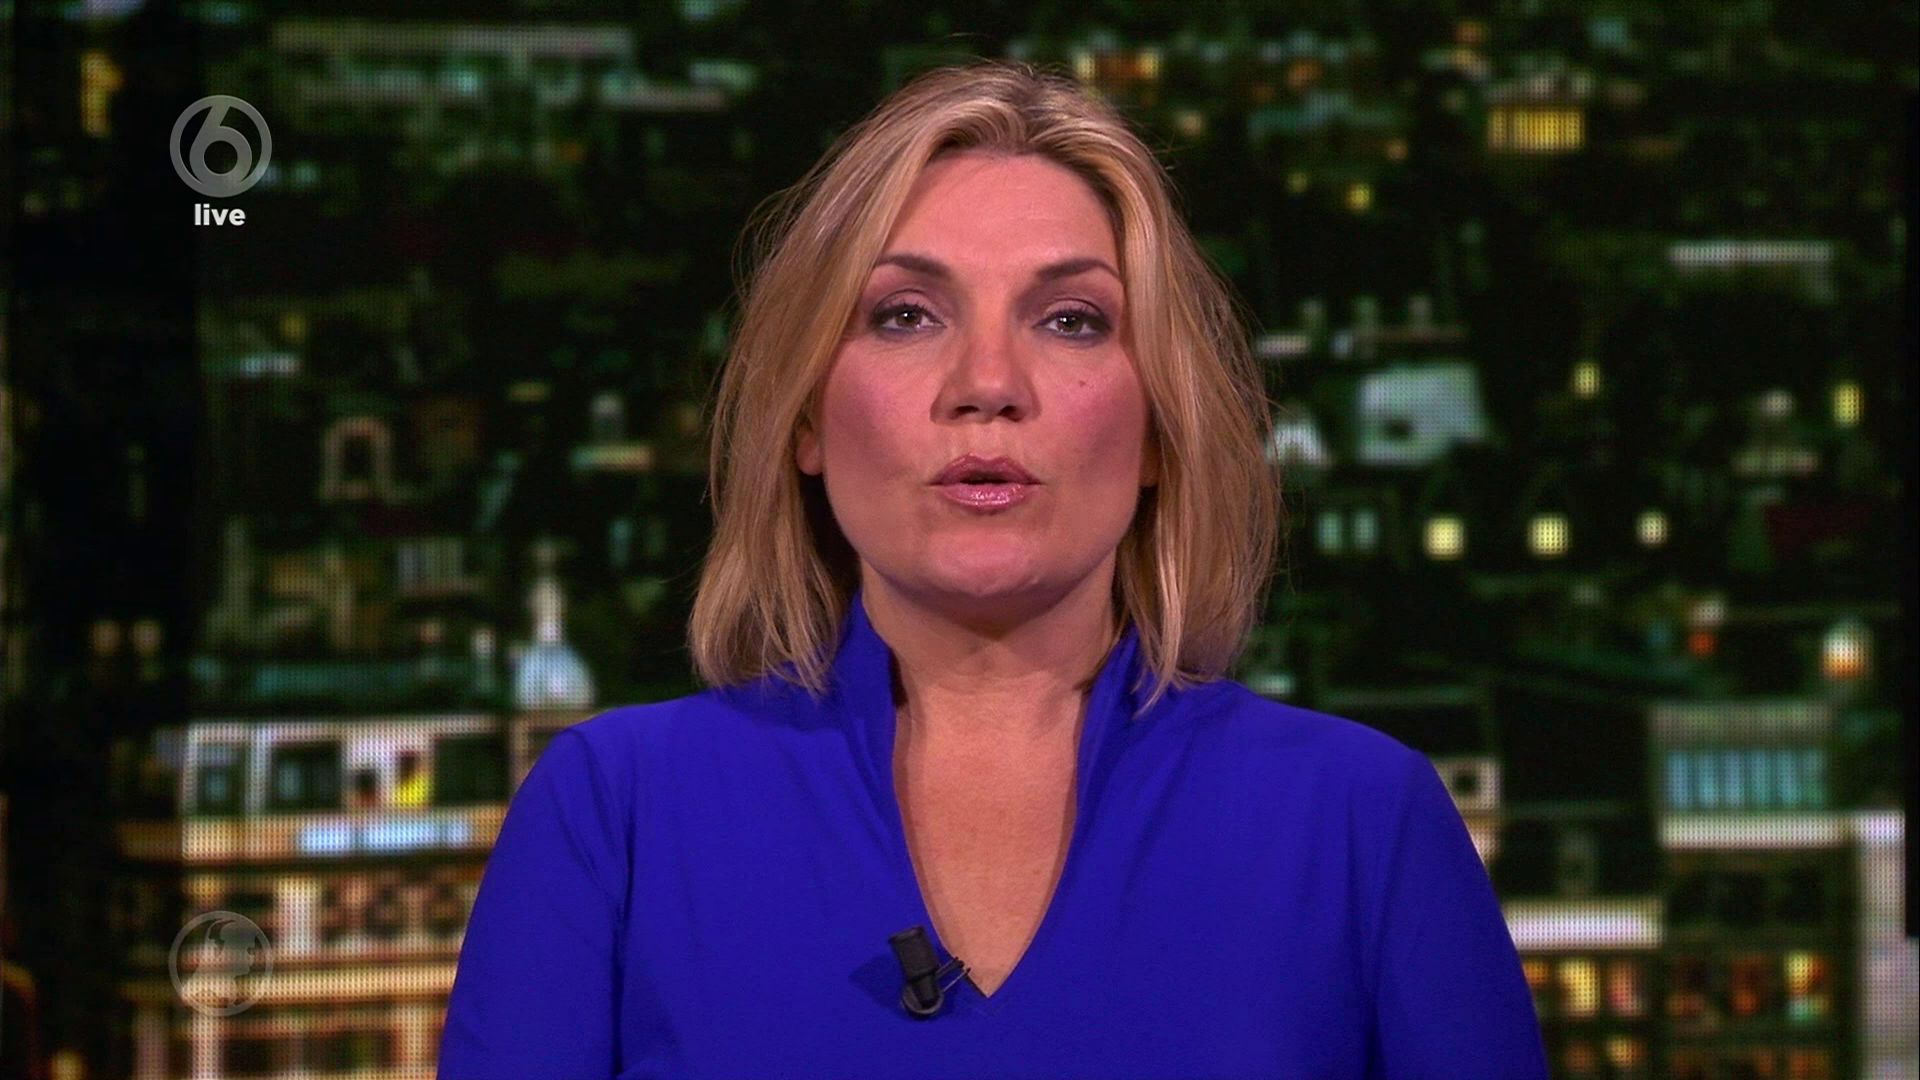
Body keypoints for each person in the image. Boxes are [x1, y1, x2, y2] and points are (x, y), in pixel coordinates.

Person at [438, 59, 1547, 1080]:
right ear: (806, 418)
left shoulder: (1364, 826)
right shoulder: (612, 819)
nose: (987, 383)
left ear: (1159, 427)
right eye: (905, 314)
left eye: (1070, 320)